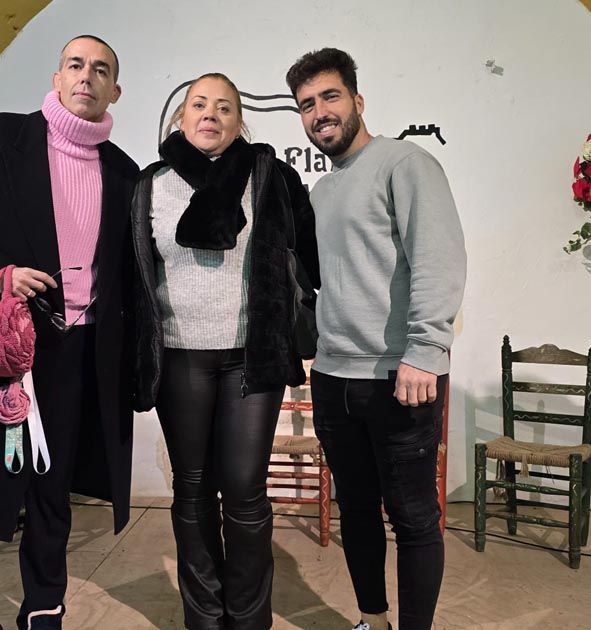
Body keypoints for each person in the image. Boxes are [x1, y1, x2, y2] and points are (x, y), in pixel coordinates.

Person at [0, 35, 138, 630]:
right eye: (75, 64)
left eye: (101, 70)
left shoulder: (125, 173)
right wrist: (0, 271)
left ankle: (44, 607)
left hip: (78, 351)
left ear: (115, 90)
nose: (86, 77)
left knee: (52, 490)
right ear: (57, 75)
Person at [129, 72, 319, 630]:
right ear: (180, 119)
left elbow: (309, 253)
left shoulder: (271, 178)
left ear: (240, 122)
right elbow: (133, 273)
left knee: (243, 488)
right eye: (199, 104)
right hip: (179, 353)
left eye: (225, 107)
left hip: (249, 356)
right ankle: (204, 616)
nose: (211, 114)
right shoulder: (150, 185)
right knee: (192, 487)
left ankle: (248, 616)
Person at [285, 48, 467, 630]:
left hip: (400, 377)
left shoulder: (405, 164)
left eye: (330, 97)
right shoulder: (322, 193)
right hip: (335, 379)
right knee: (356, 512)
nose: (320, 113)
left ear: (358, 101)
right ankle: (373, 620)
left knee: (412, 517)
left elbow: (438, 260)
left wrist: (425, 350)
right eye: (307, 105)